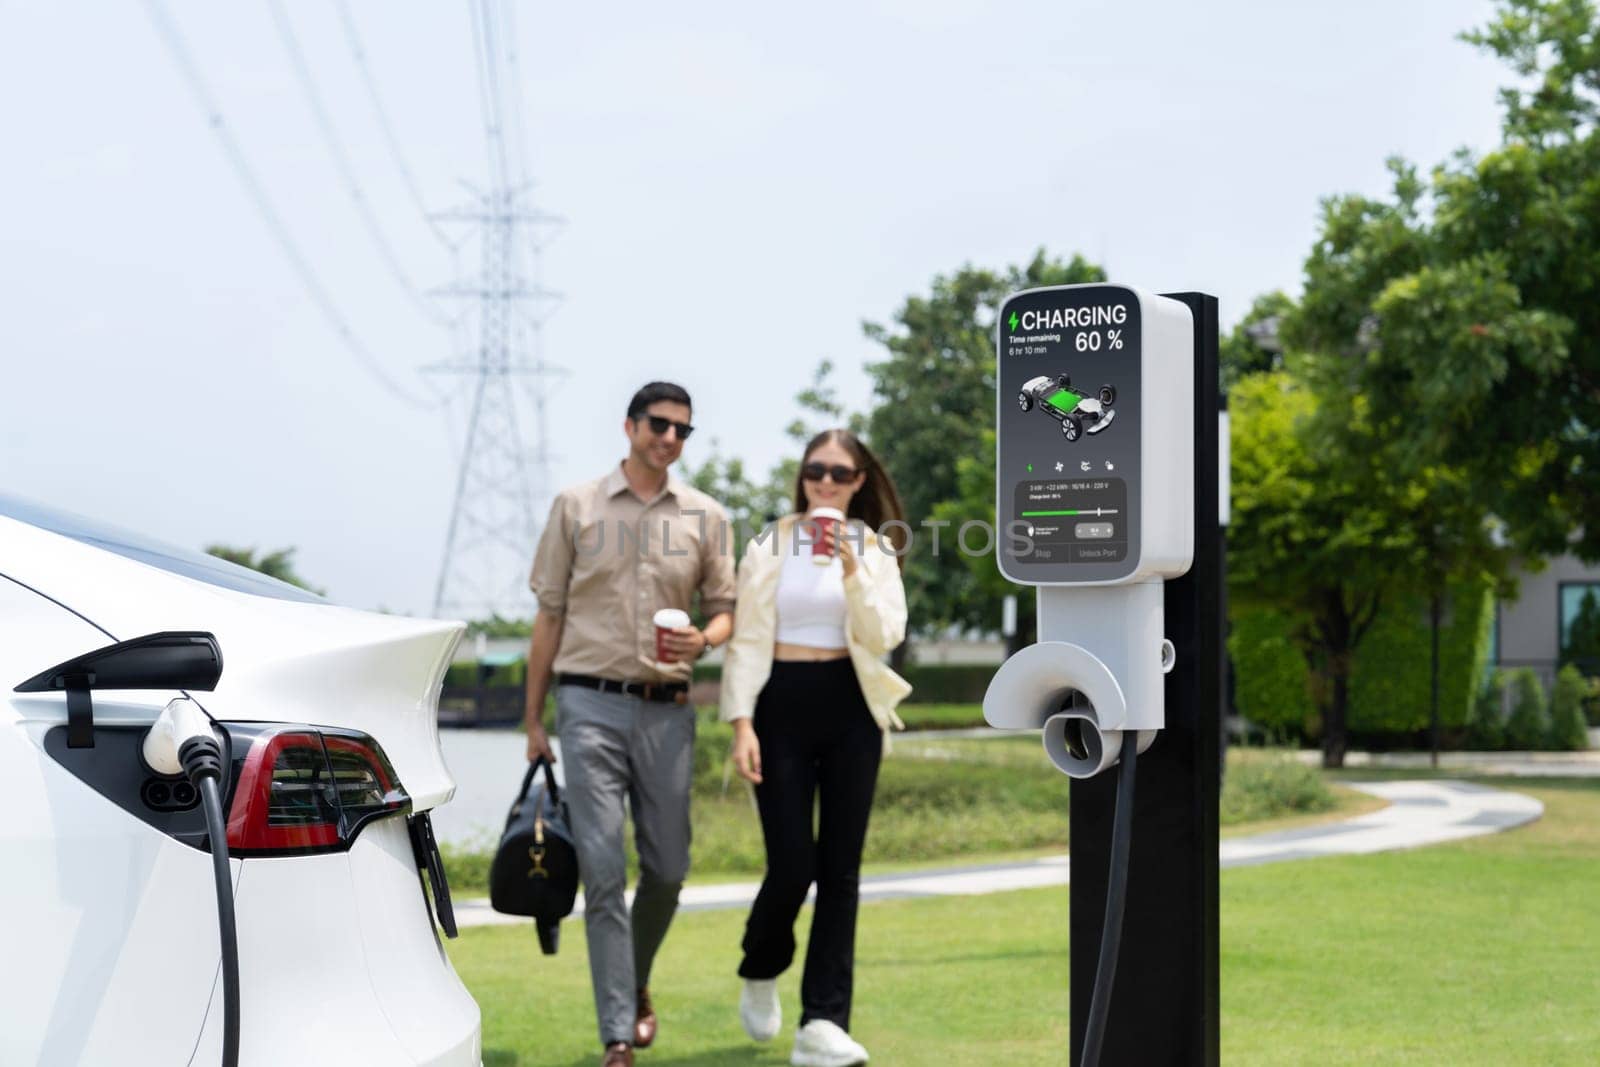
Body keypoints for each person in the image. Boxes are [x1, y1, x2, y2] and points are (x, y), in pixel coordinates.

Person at [524, 382, 736, 1067]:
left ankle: (633, 976)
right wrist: (533, 719)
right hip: (586, 705)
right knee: (604, 870)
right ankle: (617, 1032)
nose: (669, 437)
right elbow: (549, 615)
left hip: (669, 711)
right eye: (658, 424)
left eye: (682, 429)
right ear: (629, 425)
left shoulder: (707, 516)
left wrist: (704, 640)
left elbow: (727, 609)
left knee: (669, 868)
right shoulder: (575, 506)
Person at [720, 428, 911, 1067]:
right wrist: (741, 722)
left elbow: (885, 633)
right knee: (792, 865)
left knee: (842, 872)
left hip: (852, 707)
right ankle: (760, 962)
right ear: (802, 476)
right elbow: (746, 642)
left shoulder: (875, 548)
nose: (825, 483)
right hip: (780, 707)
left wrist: (854, 569)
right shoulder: (769, 545)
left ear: (859, 482)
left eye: (839, 472)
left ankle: (822, 1024)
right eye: (814, 470)